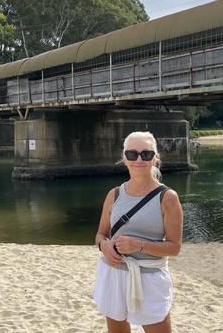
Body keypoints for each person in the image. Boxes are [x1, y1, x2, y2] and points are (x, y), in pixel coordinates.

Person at [93, 131, 184, 333]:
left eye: (146, 154)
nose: (139, 159)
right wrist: (105, 246)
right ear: (125, 159)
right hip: (114, 274)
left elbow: (174, 247)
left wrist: (139, 245)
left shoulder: (168, 198)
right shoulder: (114, 194)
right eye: (132, 154)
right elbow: (100, 235)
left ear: (155, 159)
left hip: (149, 279)